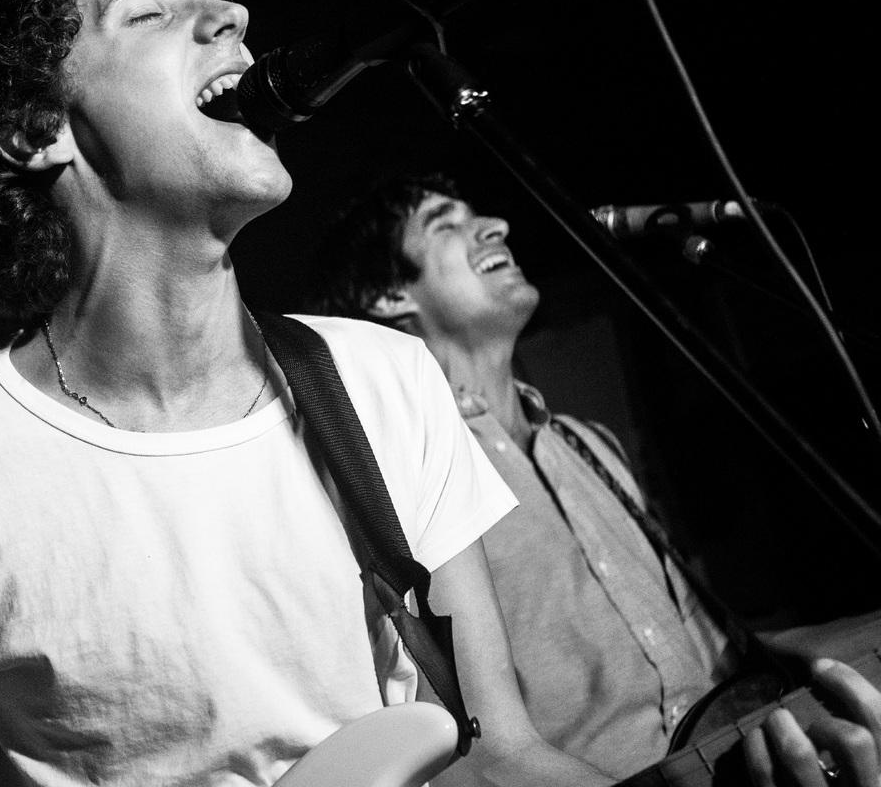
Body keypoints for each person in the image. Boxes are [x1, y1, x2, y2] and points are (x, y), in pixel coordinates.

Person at [0, 0, 879, 787]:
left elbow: (499, 756)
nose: (234, 16)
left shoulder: (382, 383)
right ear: (33, 127)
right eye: (151, 11)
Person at [304, 167, 881, 784]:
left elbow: (713, 650)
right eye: (446, 224)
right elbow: (468, 749)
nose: (496, 226)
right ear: (388, 294)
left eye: (480, 216)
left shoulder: (589, 444)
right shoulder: (404, 471)